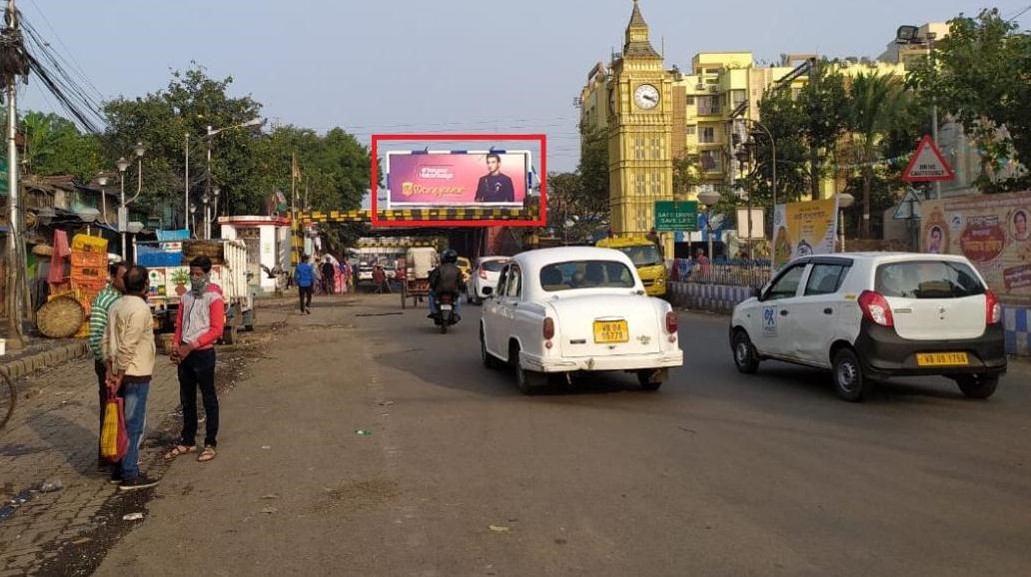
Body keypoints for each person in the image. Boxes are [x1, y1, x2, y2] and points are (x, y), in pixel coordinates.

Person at [163, 256, 225, 465]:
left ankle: (210, 442)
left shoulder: (214, 297)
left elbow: (217, 330)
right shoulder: (186, 297)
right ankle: (188, 439)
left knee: (208, 398)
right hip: (185, 354)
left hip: (203, 353)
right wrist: (176, 345)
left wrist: (191, 346)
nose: (194, 277)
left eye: (199, 274)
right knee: (186, 399)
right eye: (192, 273)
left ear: (207, 274)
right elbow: (179, 324)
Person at [102, 266, 158, 490]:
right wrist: (119, 374)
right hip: (134, 373)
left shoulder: (116, 305)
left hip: (119, 370)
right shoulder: (140, 309)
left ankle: (118, 470)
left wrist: (110, 370)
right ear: (145, 284)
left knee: (121, 424)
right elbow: (128, 345)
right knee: (132, 425)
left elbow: (105, 341)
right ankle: (130, 473)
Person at [88, 262, 127, 470]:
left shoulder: (124, 298)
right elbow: (95, 336)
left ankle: (117, 452)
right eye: (122, 277)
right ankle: (108, 457)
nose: (125, 280)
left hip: (121, 363)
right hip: (107, 363)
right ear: (112, 277)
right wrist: (107, 366)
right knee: (109, 409)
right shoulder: (104, 299)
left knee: (120, 409)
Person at [428, 249, 464, 322]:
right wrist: (460, 288)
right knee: (458, 298)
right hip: (453, 291)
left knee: (430, 295)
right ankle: (456, 313)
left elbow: (432, 280)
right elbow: (460, 282)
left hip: (439, 291)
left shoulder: (438, 269)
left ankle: (434, 311)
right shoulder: (458, 270)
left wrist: (433, 286)